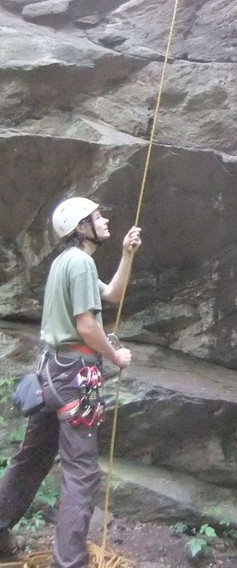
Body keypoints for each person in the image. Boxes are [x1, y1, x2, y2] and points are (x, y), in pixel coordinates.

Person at [0, 197, 142, 568]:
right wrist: (115, 356)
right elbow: (87, 325)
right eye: (97, 216)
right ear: (82, 228)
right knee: (81, 473)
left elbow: (110, 296)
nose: (104, 218)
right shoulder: (80, 263)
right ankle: (68, 564)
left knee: (31, 460)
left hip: (51, 374)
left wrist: (126, 254)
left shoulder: (66, 263)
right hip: (73, 378)